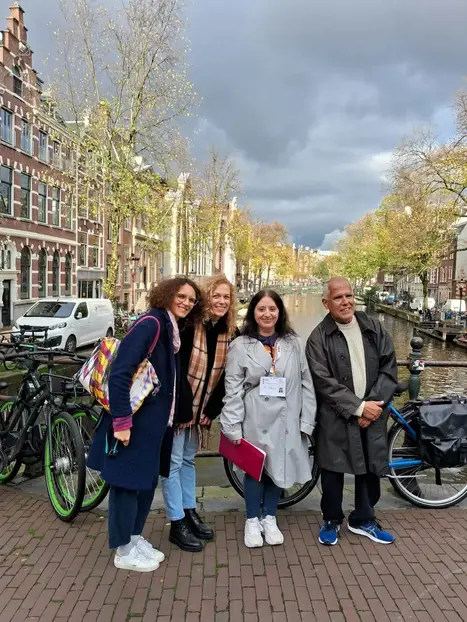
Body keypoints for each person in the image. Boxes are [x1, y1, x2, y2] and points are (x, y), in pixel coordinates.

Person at [88, 277, 203, 572]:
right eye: (182, 296)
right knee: (126, 485)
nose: (187, 303)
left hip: (155, 426)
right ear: (167, 294)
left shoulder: (170, 329)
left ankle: (134, 537)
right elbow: (120, 372)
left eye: (192, 300)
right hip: (134, 423)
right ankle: (123, 550)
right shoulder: (151, 324)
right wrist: (122, 422)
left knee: (146, 482)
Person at [306, 277, 398, 547]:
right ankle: (331, 519)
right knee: (332, 469)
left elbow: (389, 366)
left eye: (349, 295)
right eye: (338, 297)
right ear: (326, 303)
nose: (345, 301)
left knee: (370, 466)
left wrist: (373, 406)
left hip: (373, 411)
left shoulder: (373, 328)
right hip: (336, 416)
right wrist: (358, 408)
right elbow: (323, 381)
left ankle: (363, 519)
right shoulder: (318, 338)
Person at [221, 289, 316, 548]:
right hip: (254, 417)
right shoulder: (240, 345)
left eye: (272, 309)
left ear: (280, 312)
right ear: (253, 312)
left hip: (286, 417)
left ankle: (270, 517)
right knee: (256, 469)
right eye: (261, 309)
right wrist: (232, 425)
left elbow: (306, 382)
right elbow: (233, 388)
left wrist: (307, 420)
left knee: (279, 467)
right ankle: (252, 520)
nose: (267, 314)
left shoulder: (294, 343)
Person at [161, 275, 238, 552]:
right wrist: (184, 409)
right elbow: (177, 369)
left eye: (226, 297)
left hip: (202, 411)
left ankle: (189, 510)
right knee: (173, 463)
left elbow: (228, 376)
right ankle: (176, 521)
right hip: (180, 407)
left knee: (188, 460)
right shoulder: (190, 325)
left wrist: (211, 410)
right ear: (207, 298)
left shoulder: (231, 332)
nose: (221, 301)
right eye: (216, 296)